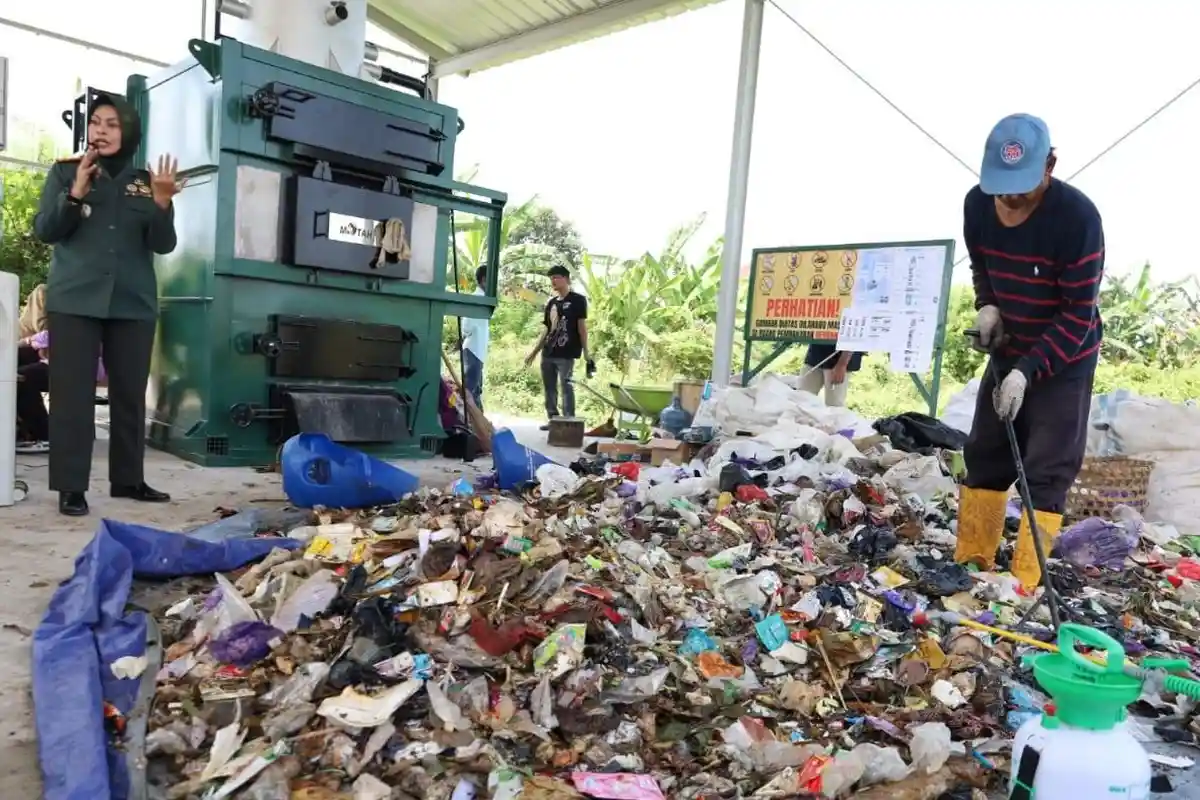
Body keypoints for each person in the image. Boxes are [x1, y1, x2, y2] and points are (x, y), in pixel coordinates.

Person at [954, 113, 1104, 589]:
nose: (1010, 200)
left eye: (1021, 188)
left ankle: (1022, 582)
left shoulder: (1077, 219)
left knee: (1046, 465)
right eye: (1001, 189)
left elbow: (1078, 313)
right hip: (1009, 343)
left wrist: (1029, 370)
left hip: (1065, 357)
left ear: (1049, 166)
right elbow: (982, 265)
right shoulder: (977, 207)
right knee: (986, 451)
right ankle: (973, 563)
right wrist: (988, 307)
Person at [33, 93, 182, 516]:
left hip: (132, 302)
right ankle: (70, 486)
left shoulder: (146, 181)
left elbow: (163, 244)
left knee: (130, 395)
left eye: (112, 123)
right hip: (75, 298)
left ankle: (129, 479)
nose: (101, 129)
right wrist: (76, 193)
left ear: (129, 131)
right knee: (71, 396)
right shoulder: (65, 173)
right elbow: (46, 230)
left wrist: (162, 202)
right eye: (96, 122)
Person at [525, 265, 594, 430]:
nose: (554, 281)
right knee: (549, 389)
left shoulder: (578, 300)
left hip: (567, 353)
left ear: (567, 279)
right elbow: (547, 330)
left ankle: (569, 422)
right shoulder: (551, 303)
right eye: (552, 278)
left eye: (557, 277)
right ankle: (553, 421)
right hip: (548, 352)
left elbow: (581, 328)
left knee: (566, 388)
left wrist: (586, 353)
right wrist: (534, 353)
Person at [460, 265, 489, 410]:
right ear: (484, 280)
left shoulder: (483, 299)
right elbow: (466, 326)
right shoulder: (477, 299)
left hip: (477, 352)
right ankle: (471, 424)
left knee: (475, 391)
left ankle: (478, 425)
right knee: (470, 392)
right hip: (473, 351)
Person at [798, 343, 862, 406]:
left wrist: (842, 364)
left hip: (839, 358)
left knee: (833, 406)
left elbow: (854, 337)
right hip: (815, 352)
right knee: (801, 400)